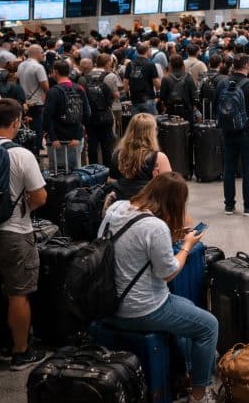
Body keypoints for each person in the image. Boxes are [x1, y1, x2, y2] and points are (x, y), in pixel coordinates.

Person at [100, 173, 219, 403]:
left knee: (187, 306)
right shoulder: (155, 227)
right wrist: (186, 245)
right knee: (208, 326)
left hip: (108, 303)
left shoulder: (117, 208)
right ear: (175, 203)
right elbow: (168, 273)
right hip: (140, 309)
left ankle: (184, 374)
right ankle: (199, 396)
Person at [0, 98, 48, 371]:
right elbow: (40, 196)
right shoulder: (21, 154)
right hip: (15, 232)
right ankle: (20, 352)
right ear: (16, 121)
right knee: (19, 294)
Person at [215, 54, 249, 216]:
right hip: (248, 132)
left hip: (227, 131)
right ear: (247, 66)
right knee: (248, 170)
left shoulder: (222, 84)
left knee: (228, 168)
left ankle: (229, 205)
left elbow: (216, 104)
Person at [109, 113, 173, 201]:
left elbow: (111, 181)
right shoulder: (159, 157)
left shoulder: (117, 155)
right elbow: (171, 188)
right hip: (148, 206)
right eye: (155, 129)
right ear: (151, 133)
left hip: (122, 206)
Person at [43, 60, 90, 172]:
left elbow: (47, 117)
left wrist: (53, 137)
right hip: (76, 137)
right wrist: (78, 136)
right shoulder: (79, 89)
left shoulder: (53, 92)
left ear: (55, 72)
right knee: (75, 169)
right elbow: (86, 114)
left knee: (57, 171)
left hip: (57, 139)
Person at [85, 54, 117, 168]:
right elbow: (114, 95)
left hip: (90, 117)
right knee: (107, 146)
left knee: (92, 145)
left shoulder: (85, 77)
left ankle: (93, 171)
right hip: (105, 116)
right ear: (108, 62)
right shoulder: (109, 76)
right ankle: (107, 171)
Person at [17, 44, 49, 153]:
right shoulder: (38, 67)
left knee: (27, 129)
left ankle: (28, 150)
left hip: (24, 103)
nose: (43, 55)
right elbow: (45, 86)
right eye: (42, 53)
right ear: (37, 53)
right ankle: (35, 153)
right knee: (37, 129)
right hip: (37, 102)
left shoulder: (21, 65)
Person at [160, 55, 198, 123]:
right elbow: (194, 96)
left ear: (170, 65)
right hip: (187, 111)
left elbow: (162, 97)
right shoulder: (188, 77)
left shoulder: (166, 78)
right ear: (183, 65)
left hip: (171, 111)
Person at [126, 43, 161, 116]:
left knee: (137, 123)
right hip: (148, 98)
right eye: (150, 50)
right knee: (151, 123)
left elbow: (125, 82)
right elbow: (156, 82)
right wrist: (159, 90)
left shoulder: (130, 64)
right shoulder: (150, 64)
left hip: (135, 99)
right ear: (147, 51)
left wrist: (129, 94)